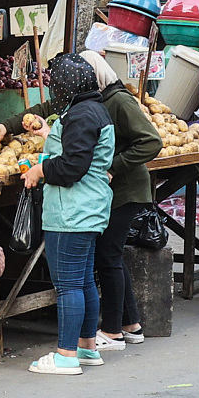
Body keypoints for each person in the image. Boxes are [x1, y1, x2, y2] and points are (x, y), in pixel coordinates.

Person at [21, 52, 116, 376]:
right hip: (89, 210)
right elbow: (79, 154)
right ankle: (87, 347)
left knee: (68, 285)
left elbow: (71, 167)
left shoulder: (80, 115)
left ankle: (65, 355)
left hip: (72, 212)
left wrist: (40, 169)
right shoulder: (94, 109)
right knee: (84, 280)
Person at [84, 52, 164, 351]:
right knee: (111, 255)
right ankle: (132, 325)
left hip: (127, 190)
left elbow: (152, 141)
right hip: (115, 191)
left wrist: (113, 167)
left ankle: (113, 331)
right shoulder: (95, 99)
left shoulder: (118, 100)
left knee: (107, 255)